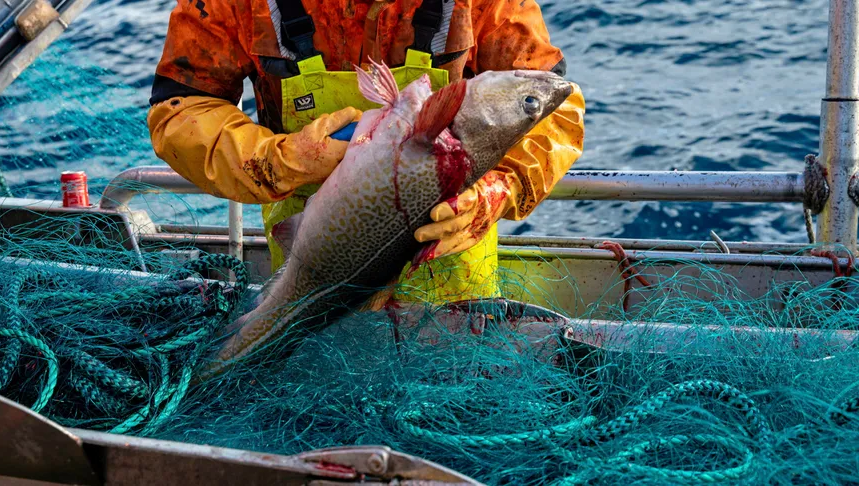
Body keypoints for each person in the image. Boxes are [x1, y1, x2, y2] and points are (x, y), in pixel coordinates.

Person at [148, 0, 585, 308]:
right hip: (313, 265)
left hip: (453, 281)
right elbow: (180, 109)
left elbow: (554, 109)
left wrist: (495, 192)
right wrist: (278, 159)